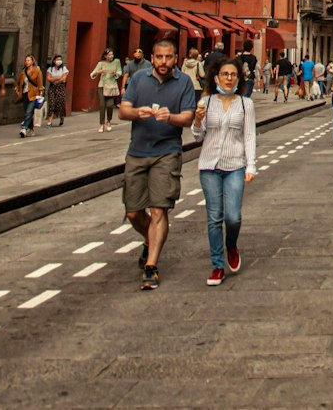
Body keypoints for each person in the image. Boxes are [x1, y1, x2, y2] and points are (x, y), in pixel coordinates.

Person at [119, 40, 198, 290]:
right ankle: (148, 240)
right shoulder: (139, 79)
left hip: (167, 151)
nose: (164, 62)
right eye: (160, 57)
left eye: (169, 57)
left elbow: (188, 118)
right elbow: (123, 110)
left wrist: (170, 117)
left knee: (158, 209)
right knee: (132, 211)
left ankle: (151, 266)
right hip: (137, 151)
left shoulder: (184, 82)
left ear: (176, 58)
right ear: (152, 57)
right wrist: (136, 113)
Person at [192, 60, 255, 287]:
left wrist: (251, 165)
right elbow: (197, 137)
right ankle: (217, 265)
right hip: (208, 166)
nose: (229, 78)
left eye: (233, 74)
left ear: (238, 79)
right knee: (214, 218)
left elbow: (249, 136)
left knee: (233, 217)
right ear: (216, 78)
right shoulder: (205, 102)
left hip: (235, 165)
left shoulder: (246, 104)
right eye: (224, 74)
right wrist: (197, 121)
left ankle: (231, 244)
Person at [91, 48, 123, 132]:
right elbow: (92, 74)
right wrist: (99, 72)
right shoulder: (101, 63)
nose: (111, 56)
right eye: (109, 55)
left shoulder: (117, 62)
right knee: (102, 105)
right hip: (102, 86)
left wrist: (115, 73)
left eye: (112, 54)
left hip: (111, 86)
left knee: (110, 105)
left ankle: (108, 121)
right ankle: (101, 124)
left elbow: (120, 72)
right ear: (105, 56)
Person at [17, 54, 45, 138]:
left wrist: (40, 93)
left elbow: (40, 83)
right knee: (26, 113)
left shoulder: (37, 71)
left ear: (32, 62)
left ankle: (24, 128)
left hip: (33, 94)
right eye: (26, 61)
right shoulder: (23, 72)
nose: (26, 62)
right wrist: (18, 90)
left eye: (28, 60)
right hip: (25, 94)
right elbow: (19, 82)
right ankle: (31, 129)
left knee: (29, 112)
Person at [44, 54, 70, 127]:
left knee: (60, 103)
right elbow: (48, 78)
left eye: (60, 59)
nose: (59, 61)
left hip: (60, 87)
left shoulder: (63, 68)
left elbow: (63, 78)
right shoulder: (50, 69)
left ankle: (61, 117)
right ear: (54, 60)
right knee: (52, 103)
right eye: (57, 59)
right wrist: (57, 78)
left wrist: (55, 79)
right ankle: (49, 121)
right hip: (52, 87)